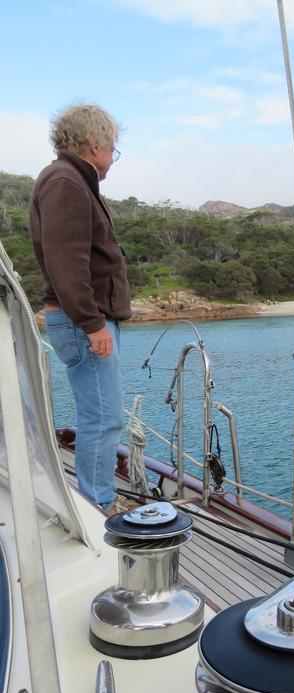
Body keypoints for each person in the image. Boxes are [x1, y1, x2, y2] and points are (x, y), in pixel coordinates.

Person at [29, 103, 132, 515]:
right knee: (103, 419)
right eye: (113, 149)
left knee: (101, 416)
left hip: (81, 321)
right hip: (81, 323)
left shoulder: (68, 179)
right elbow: (67, 261)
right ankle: (98, 504)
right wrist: (92, 324)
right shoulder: (66, 182)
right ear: (95, 145)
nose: (113, 159)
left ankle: (98, 495)